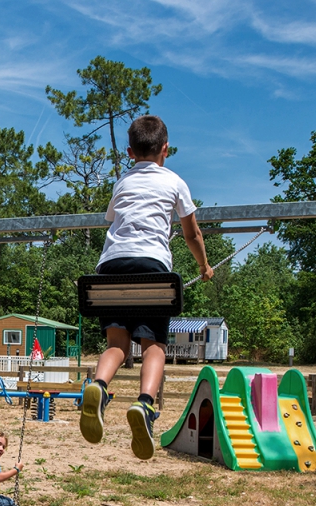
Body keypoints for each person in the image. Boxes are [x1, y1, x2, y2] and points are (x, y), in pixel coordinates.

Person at [79, 115, 214, 459]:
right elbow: (191, 234)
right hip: (152, 267)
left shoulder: (122, 183)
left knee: (117, 344)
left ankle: (98, 386)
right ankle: (145, 404)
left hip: (109, 269)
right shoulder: (175, 182)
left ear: (129, 151)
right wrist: (204, 265)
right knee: (154, 346)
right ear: (165, 149)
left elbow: (113, 219)